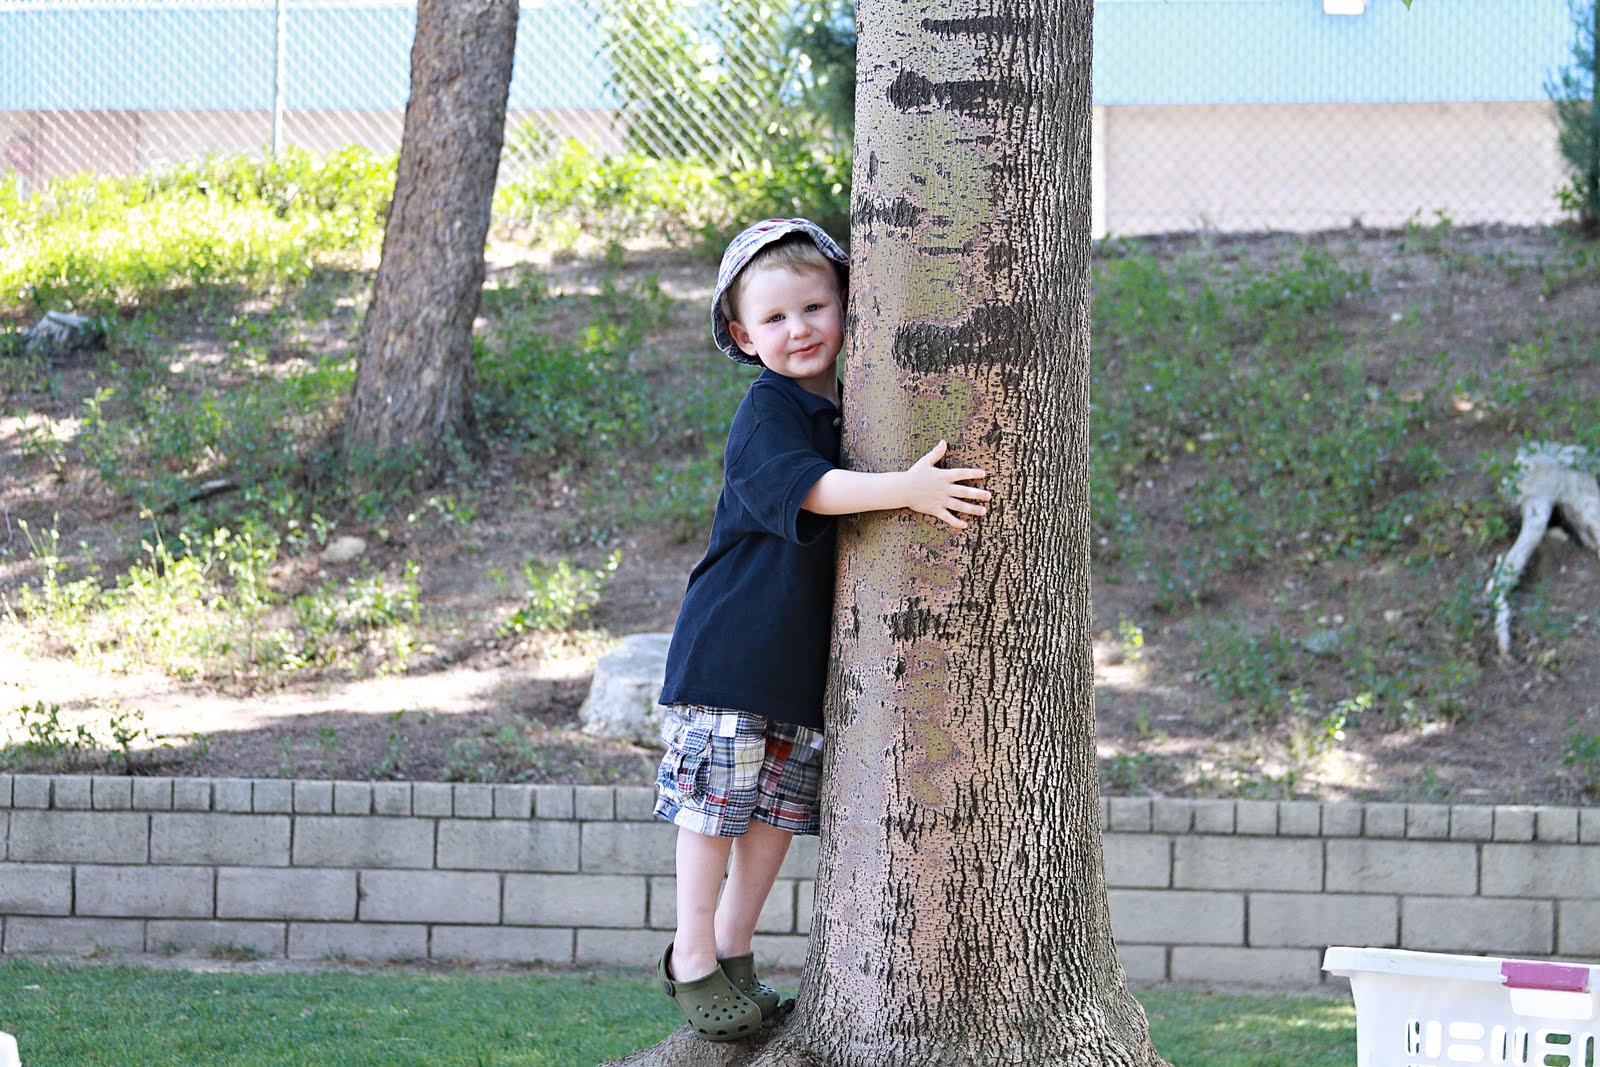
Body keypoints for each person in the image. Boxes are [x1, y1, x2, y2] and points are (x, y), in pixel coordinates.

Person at [653, 217, 991, 1041]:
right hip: (734, 650)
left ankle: (734, 946)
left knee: (775, 817)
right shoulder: (768, 410)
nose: (799, 329)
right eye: (773, 318)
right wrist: (908, 488)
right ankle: (690, 953)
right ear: (743, 336)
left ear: (846, 306)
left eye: (814, 307)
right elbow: (810, 489)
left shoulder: (853, 405)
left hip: (799, 667)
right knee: (717, 809)